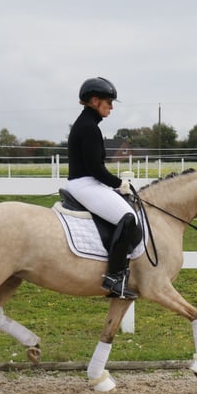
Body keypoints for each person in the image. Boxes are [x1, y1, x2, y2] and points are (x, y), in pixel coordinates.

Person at [66, 77, 140, 299]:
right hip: (86, 184)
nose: (111, 107)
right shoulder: (88, 128)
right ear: (94, 100)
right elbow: (95, 169)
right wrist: (119, 184)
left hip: (87, 182)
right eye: (108, 102)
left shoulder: (87, 125)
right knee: (128, 217)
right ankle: (114, 278)